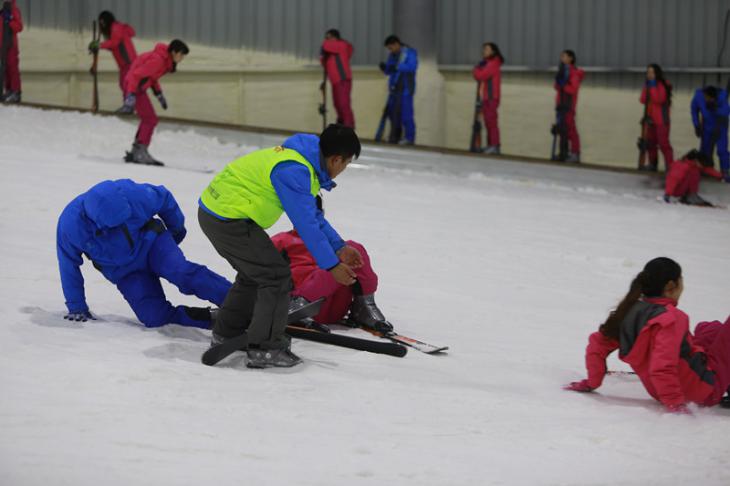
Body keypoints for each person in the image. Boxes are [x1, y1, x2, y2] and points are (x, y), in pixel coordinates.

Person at [198, 124, 362, 368]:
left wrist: (338, 246)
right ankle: (265, 347)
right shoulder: (294, 170)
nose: (343, 170)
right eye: (346, 165)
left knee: (257, 273)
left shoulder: (301, 161)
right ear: (336, 159)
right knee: (275, 276)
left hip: (220, 213)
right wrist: (332, 265)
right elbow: (305, 225)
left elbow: (312, 216)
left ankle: (228, 332)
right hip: (227, 218)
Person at [57, 179, 232, 329]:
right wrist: (76, 306)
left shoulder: (132, 193)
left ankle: (240, 302)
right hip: (124, 271)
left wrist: (175, 232)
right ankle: (213, 319)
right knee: (154, 317)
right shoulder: (70, 225)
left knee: (182, 273)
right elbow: (68, 265)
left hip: (152, 243)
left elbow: (164, 198)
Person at [564, 257, 730, 414]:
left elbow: (597, 347)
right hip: (704, 391)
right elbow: (662, 366)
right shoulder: (672, 319)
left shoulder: (628, 312)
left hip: (658, 392)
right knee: (718, 331)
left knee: (709, 328)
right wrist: (675, 404)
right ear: (671, 286)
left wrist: (591, 383)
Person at [271, 197, 392, 333]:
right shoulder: (282, 240)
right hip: (299, 302)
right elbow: (257, 270)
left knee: (353, 248)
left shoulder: (334, 244)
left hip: (335, 305)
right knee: (330, 265)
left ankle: (363, 307)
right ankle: (298, 309)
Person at [117, 39, 190, 166]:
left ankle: (137, 151)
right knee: (150, 119)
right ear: (174, 52)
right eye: (181, 54)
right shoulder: (159, 60)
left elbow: (152, 78)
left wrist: (159, 95)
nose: (182, 58)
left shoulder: (163, 61)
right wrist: (130, 95)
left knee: (148, 119)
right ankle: (140, 151)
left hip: (137, 89)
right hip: (133, 88)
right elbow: (135, 75)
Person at [379, 35, 418, 145]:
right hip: (394, 90)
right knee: (393, 115)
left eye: (390, 48)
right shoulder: (393, 55)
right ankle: (395, 137)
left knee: (406, 115)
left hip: (406, 89)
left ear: (396, 44)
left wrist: (397, 67)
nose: (390, 50)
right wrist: (385, 68)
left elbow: (412, 66)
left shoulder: (410, 53)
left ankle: (410, 138)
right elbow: (391, 70)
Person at [88, 11, 137, 99]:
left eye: (102, 23)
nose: (102, 26)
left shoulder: (116, 27)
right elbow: (114, 47)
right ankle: (128, 104)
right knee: (124, 84)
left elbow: (114, 43)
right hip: (125, 64)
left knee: (126, 83)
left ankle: (129, 105)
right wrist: (99, 46)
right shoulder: (115, 29)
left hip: (128, 62)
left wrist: (99, 45)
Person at [639, 64, 674, 171]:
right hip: (650, 120)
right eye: (648, 72)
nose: (649, 74)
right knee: (651, 144)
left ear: (657, 73)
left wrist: (653, 86)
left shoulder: (663, 85)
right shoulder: (648, 85)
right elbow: (642, 100)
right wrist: (646, 87)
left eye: (652, 72)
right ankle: (653, 165)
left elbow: (659, 99)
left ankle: (670, 166)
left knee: (663, 144)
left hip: (661, 120)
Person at [691, 85, 730, 182]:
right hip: (707, 127)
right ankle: (707, 170)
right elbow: (694, 110)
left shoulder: (721, 97)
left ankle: (725, 171)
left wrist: (716, 108)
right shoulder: (699, 96)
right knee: (706, 149)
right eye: (706, 98)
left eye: (709, 99)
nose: (707, 99)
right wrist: (696, 124)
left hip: (720, 125)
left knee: (722, 150)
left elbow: (726, 111)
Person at [472, 42, 504, 155]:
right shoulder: (489, 63)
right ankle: (492, 145)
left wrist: (476, 69)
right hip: (487, 97)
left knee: (491, 122)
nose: (484, 51)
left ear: (493, 51)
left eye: (486, 49)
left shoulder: (493, 63)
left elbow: (480, 75)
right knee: (488, 122)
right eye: (483, 49)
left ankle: (494, 145)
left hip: (491, 97)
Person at [553, 49, 584, 163]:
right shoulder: (562, 71)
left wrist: (563, 86)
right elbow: (556, 86)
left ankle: (575, 153)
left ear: (571, 58)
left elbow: (573, 89)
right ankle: (563, 152)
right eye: (562, 57)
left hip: (569, 105)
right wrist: (559, 84)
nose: (563, 59)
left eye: (565, 56)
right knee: (562, 129)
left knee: (571, 129)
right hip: (560, 104)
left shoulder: (574, 72)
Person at [320, 28, 355, 128]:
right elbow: (324, 62)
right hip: (335, 80)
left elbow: (325, 46)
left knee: (343, 104)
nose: (326, 40)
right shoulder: (331, 51)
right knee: (337, 104)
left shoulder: (341, 45)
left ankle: (348, 126)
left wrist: (324, 46)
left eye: (328, 37)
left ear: (335, 37)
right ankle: (342, 124)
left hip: (342, 79)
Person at [0, 0, 22, 103]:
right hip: (2, 46)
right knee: (5, 69)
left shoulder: (14, 10)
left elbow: (19, 27)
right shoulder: (2, 10)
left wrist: (10, 19)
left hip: (11, 45)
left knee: (12, 68)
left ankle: (15, 92)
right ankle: (8, 91)